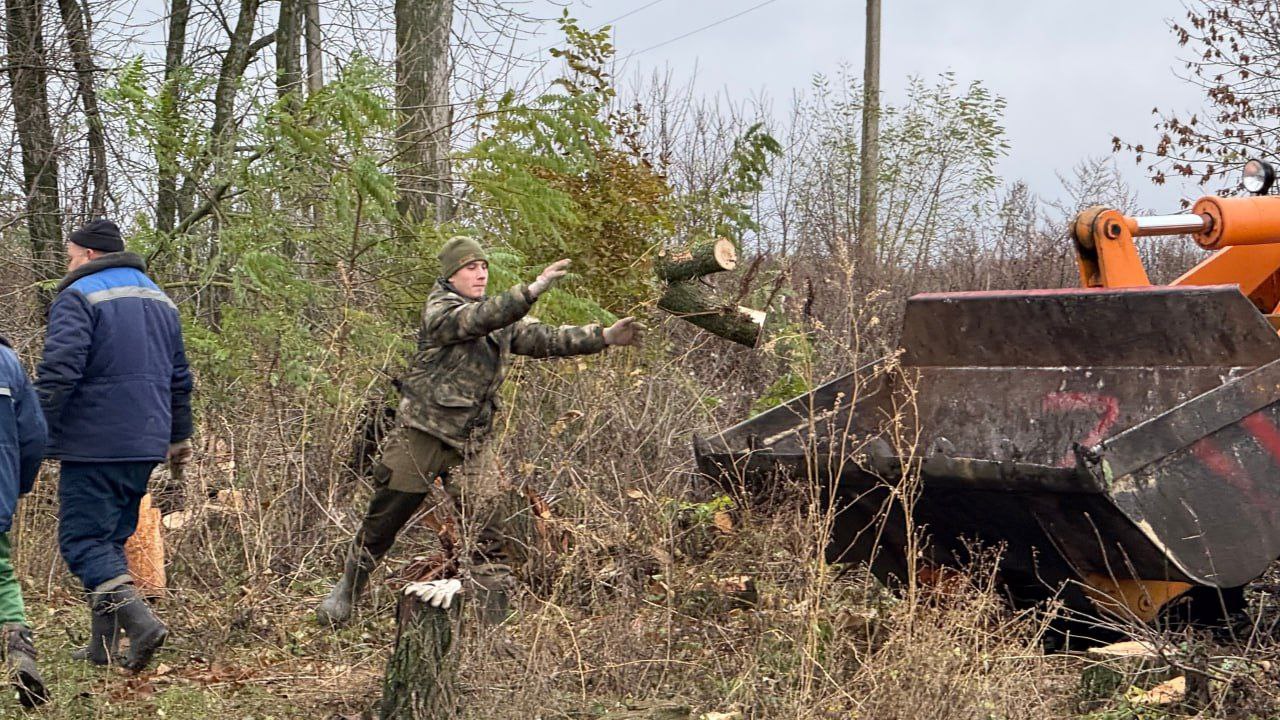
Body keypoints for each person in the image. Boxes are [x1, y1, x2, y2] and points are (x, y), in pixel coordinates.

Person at [317, 236, 641, 626]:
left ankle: (492, 624)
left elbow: (546, 338)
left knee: (488, 529)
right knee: (385, 519)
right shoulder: (441, 310)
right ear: (451, 275)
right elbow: (476, 320)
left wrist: (604, 337)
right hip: (423, 432)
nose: (480, 273)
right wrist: (532, 289)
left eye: (484, 266)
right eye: (471, 267)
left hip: (472, 441)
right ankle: (348, 589)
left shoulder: (500, 321)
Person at [36, 219, 194, 672]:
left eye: (69, 254)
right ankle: (100, 648)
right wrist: (178, 437)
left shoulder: (79, 295)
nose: (68, 262)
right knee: (109, 540)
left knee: (83, 539)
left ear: (87, 254)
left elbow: (60, 370)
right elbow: (180, 378)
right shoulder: (160, 299)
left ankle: (141, 624)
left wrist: (37, 430)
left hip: (96, 441)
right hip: (147, 440)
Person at [0, 333, 49, 707]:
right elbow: (34, 436)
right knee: (1, 574)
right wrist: (15, 486)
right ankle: (18, 646)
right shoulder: (7, 362)